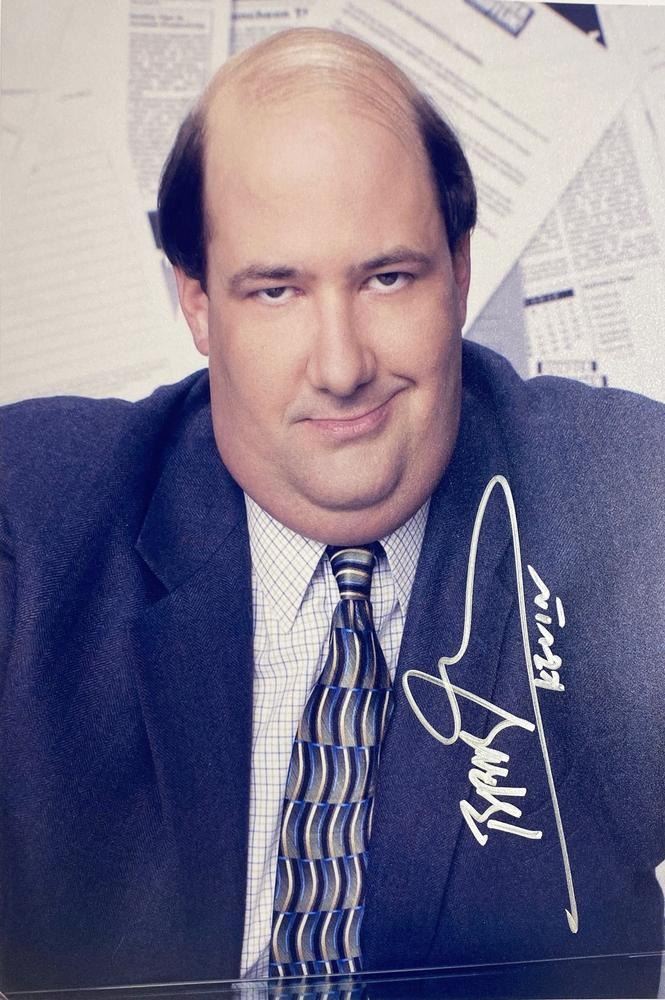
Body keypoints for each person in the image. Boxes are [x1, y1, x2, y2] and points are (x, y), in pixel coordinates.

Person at [1, 27, 664, 997]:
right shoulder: (29, 524)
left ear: (458, 271)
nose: (342, 364)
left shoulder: (627, 495)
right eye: (276, 290)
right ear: (197, 303)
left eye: (387, 277)